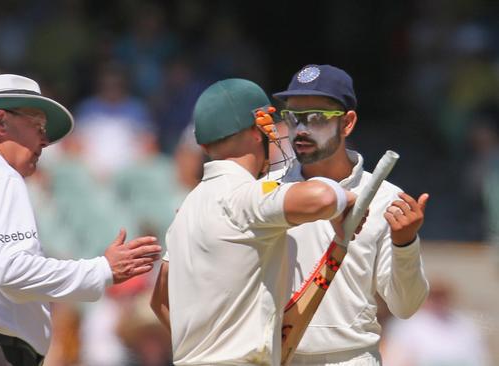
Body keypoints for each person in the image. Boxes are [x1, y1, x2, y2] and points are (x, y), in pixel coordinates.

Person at [0, 74, 162, 365]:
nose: (46, 140)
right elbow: (12, 270)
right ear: (1, 122)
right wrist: (102, 270)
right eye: (38, 126)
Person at [150, 78, 360, 365]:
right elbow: (323, 197)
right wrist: (345, 199)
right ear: (255, 130)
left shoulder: (187, 208)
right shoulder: (245, 195)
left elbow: (159, 300)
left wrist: (209, 347)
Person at [272, 64, 430, 365]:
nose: (301, 130)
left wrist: (405, 244)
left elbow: (406, 306)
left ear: (347, 123)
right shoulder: (266, 191)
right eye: (292, 118)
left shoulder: (386, 198)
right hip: (275, 356)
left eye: (316, 118)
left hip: (352, 358)